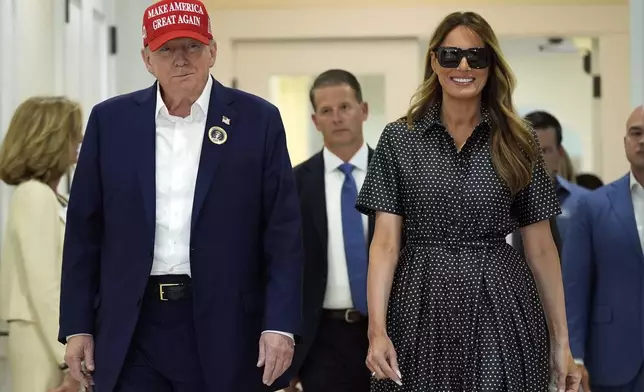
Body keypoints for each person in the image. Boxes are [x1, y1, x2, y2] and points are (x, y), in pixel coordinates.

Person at [58, 1, 304, 391]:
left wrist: (280, 324)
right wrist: (76, 326)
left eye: (192, 46)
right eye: (166, 50)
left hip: (227, 327)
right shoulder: (111, 122)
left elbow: (283, 234)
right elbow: (84, 233)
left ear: (213, 51)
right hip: (132, 327)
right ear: (146, 58)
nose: (181, 60)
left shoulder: (258, 120)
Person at [355, 11, 581, 391]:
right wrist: (376, 331)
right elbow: (385, 244)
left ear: (490, 65)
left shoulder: (518, 139)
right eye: (451, 55)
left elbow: (541, 248)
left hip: (502, 302)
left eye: (476, 56)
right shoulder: (399, 139)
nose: (463, 65)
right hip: (419, 304)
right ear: (434, 61)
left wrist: (561, 342)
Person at [290, 69, 373, 392]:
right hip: (322, 339)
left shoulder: (394, 175)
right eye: (326, 110)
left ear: (363, 110)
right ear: (315, 120)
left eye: (345, 107)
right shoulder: (294, 184)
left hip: (387, 334)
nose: (337, 117)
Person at [0, 97, 83, 392]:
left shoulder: (52, 196)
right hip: (41, 339)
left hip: (50, 336)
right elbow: (44, 285)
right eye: (74, 133)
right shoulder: (34, 195)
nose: (80, 140)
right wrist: (67, 360)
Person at [563, 105, 644, 392]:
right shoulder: (592, 206)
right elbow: (575, 287)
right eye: (636, 133)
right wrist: (576, 357)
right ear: (625, 142)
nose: (643, 140)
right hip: (612, 358)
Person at [522, 111, 589, 240]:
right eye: (530, 151)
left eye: (545, 151)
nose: (538, 160)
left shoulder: (584, 202)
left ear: (560, 153)